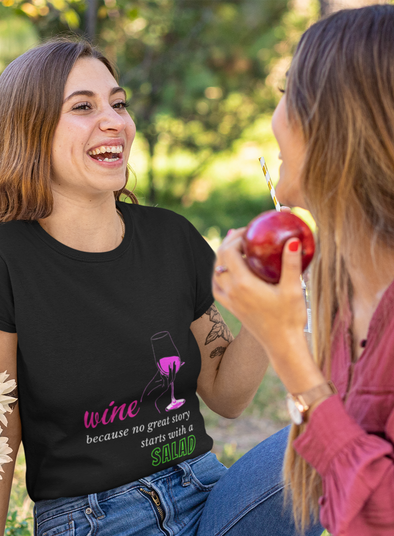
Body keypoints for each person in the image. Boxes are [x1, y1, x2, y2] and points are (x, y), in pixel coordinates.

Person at [0, 38, 323, 536]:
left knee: (349, 430)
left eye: (118, 104)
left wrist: (273, 300)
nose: (115, 121)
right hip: (95, 520)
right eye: (84, 107)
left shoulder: (171, 237)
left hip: (210, 497)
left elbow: (227, 395)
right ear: (29, 130)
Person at [211, 5, 394, 536]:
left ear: (336, 123)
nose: (274, 117)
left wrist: (286, 347)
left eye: (288, 93)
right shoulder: (346, 280)